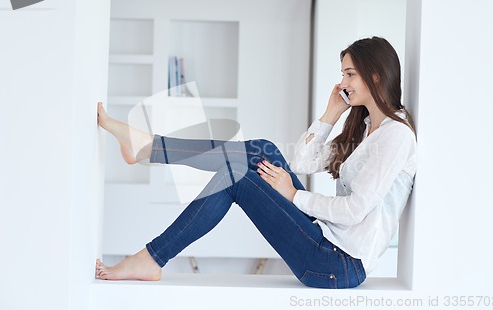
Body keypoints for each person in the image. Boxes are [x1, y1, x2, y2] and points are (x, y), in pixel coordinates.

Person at [95, 36, 417, 289]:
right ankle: (146, 148)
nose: (343, 83)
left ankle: (153, 254)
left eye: (350, 74)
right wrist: (330, 114)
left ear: (375, 75)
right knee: (263, 149)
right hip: (326, 242)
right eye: (342, 74)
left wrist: (293, 195)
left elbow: (354, 209)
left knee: (236, 177)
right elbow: (301, 161)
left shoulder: (396, 136)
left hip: (337, 264)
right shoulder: (364, 129)